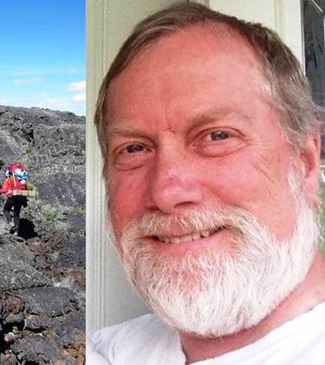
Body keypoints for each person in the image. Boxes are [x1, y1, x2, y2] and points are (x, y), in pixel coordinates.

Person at [89, 2, 325, 364]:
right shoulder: (104, 351)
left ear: (305, 162)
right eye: (134, 148)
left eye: (217, 136)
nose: (166, 192)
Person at [0, 166, 28, 234]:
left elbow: (4, 190)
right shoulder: (21, 180)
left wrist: (0, 190)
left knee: (6, 210)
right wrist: (24, 202)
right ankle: (16, 231)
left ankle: (11, 222)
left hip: (12, 196)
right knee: (16, 214)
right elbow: (25, 191)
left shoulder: (9, 179)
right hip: (20, 197)